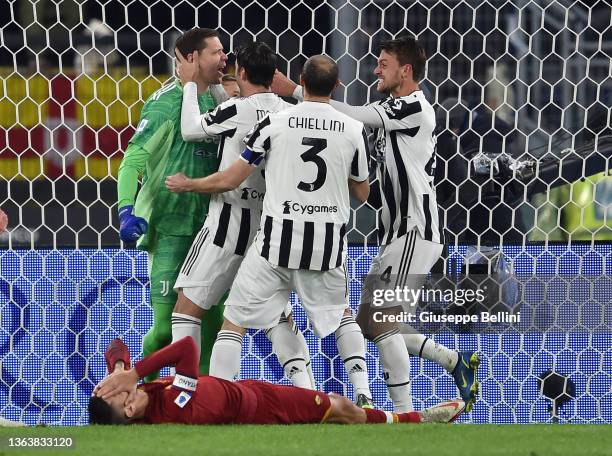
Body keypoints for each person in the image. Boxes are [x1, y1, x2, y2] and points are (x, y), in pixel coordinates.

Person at [272, 36, 480, 412]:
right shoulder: (391, 107)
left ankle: (403, 413)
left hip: (414, 229)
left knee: (382, 321)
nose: (375, 70)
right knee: (371, 322)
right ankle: (455, 362)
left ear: (406, 70)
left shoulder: (415, 107)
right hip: (397, 232)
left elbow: (350, 113)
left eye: (383, 64)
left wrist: (295, 91)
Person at [166, 54, 374, 407]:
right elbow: (362, 192)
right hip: (327, 242)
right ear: (337, 86)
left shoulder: (276, 123)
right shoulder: (353, 129)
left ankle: (217, 399)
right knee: (340, 314)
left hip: (277, 238)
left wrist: (190, 184)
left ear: (300, 81)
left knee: (233, 321)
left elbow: (232, 176)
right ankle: (363, 394)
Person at [165, 41, 316, 389]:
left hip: (228, 224)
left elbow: (193, 129)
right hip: (270, 227)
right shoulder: (288, 111)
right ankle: (307, 389)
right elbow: (236, 110)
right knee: (277, 313)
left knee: (187, 309)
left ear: (243, 74)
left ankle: (185, 393)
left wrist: (190, 83)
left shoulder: (237, 110)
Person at [116, 28, 228, 380]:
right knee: (166, 329)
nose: (224, 58)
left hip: (213, 228)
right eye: (216, 52)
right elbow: (133, 158)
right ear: (192, 58)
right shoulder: (166, 102)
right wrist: (125, 208)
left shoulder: (221, 103)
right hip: (169, 226)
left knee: (212, 324)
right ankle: (145, 392)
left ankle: (207, 401)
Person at [89, 337, 465, 425]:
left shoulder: (135, 400)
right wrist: (134, 372)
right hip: (261, 407)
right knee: (339, 405)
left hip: (247, 388)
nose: (129, 387)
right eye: (124, 391)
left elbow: (115, 346)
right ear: (125, 408)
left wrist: (119, 367)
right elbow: (186, 348)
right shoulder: (175, 405)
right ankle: (409, 420)